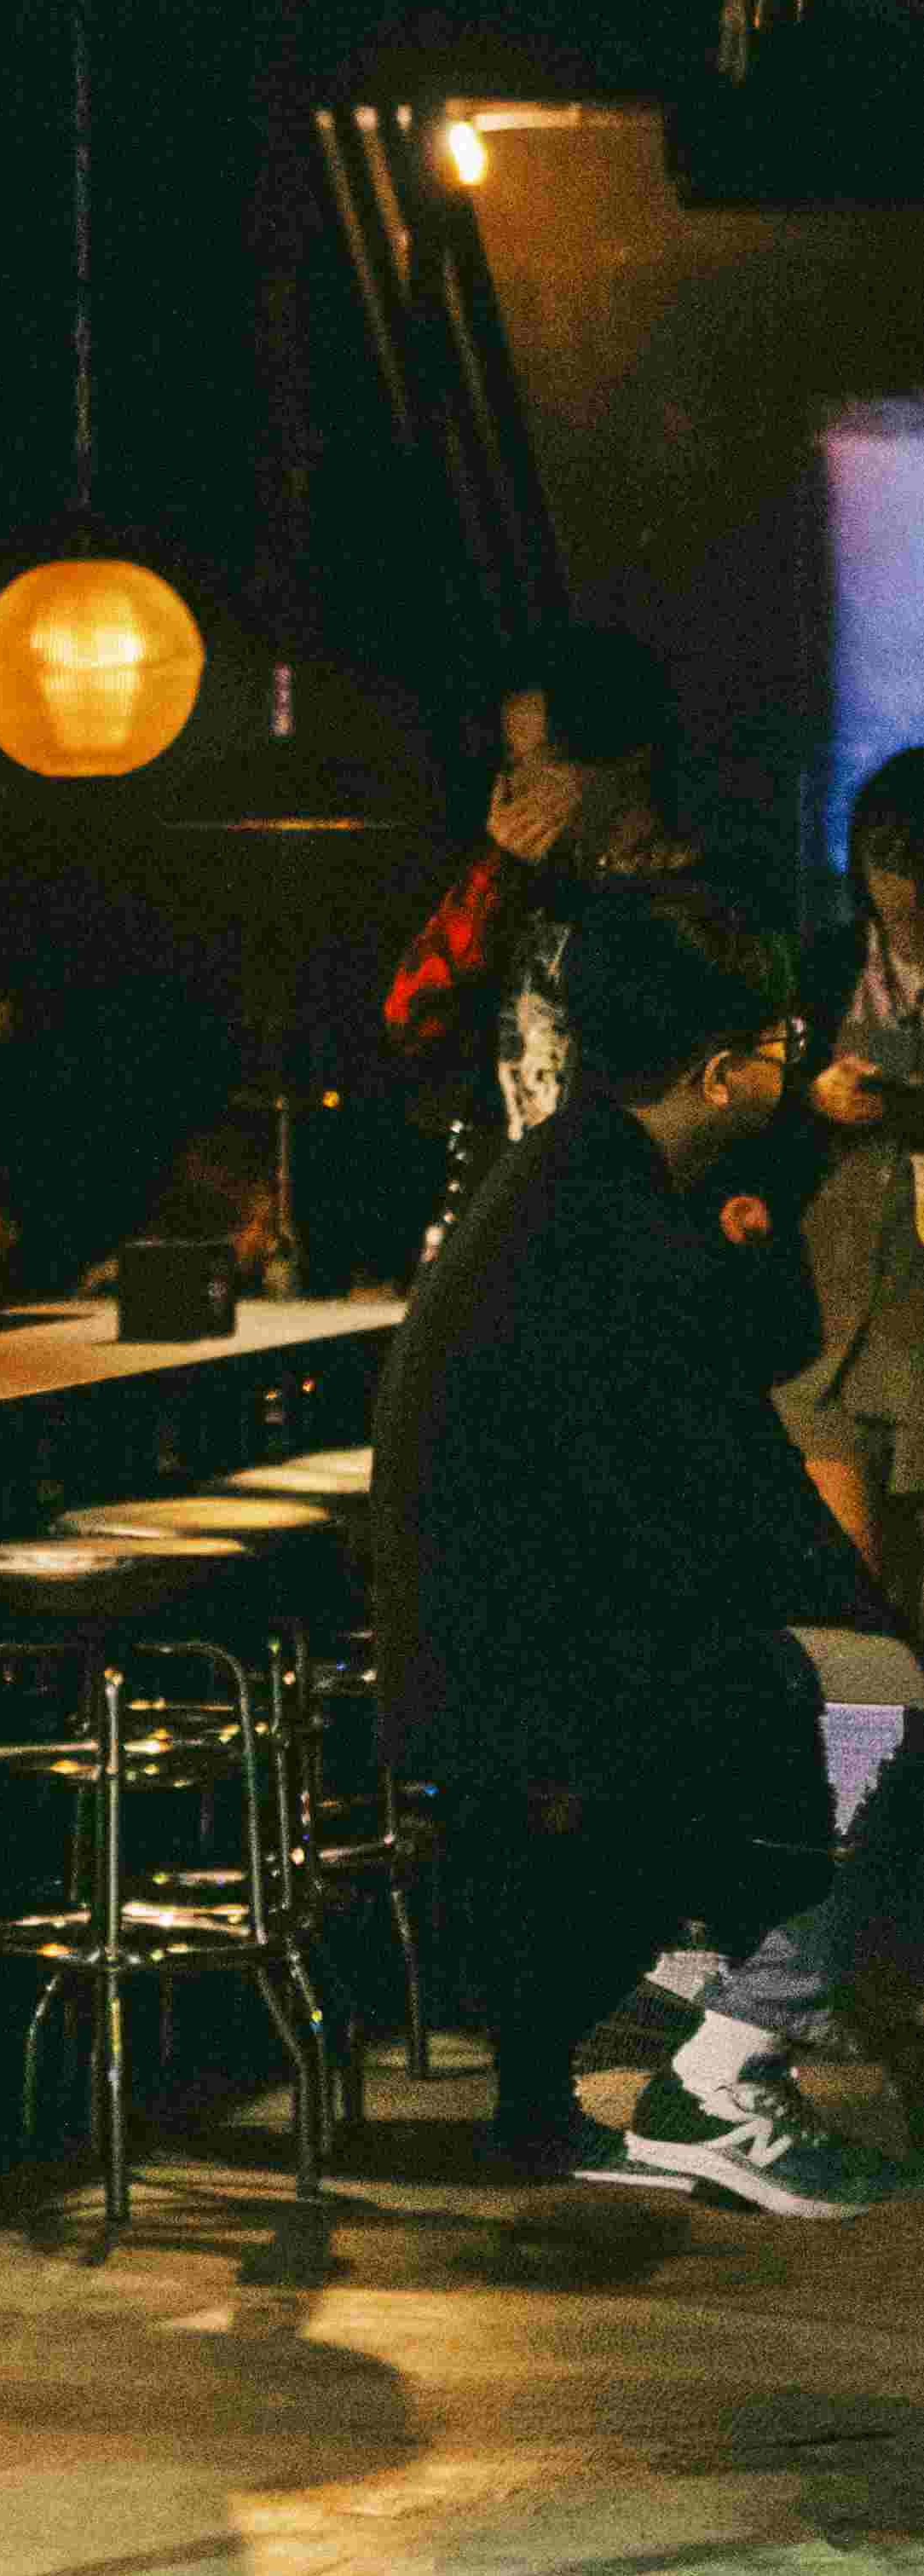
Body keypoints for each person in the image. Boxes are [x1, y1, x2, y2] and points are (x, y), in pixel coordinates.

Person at [372, 881, 924, 2211]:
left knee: (850, 1671)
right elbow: (721, 1491)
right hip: (532, 1665)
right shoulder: (616, 1225)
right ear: (720, 1073)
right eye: (779, 1043)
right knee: (888, 1701)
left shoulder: (566, 1173)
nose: (795, 1061)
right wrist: (867, 1629)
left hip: (486, 1628)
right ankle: (727, 2060)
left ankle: (685, 1993)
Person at [379, 624, 693, 1214]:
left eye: (543, 763)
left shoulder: (696, 902)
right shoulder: (522, 888)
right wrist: (494, 877)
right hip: (513, 1213)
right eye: (510, 762)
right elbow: (411, 1020)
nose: (515, 787)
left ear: (623, 761)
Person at [772, 748, 924, 1600]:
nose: (907, 889)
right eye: (888, 860)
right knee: (847, 1594)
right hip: (826, 1306)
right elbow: (750, 1107)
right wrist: (811, 1097)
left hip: (913, 1308)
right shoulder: (826, 965)